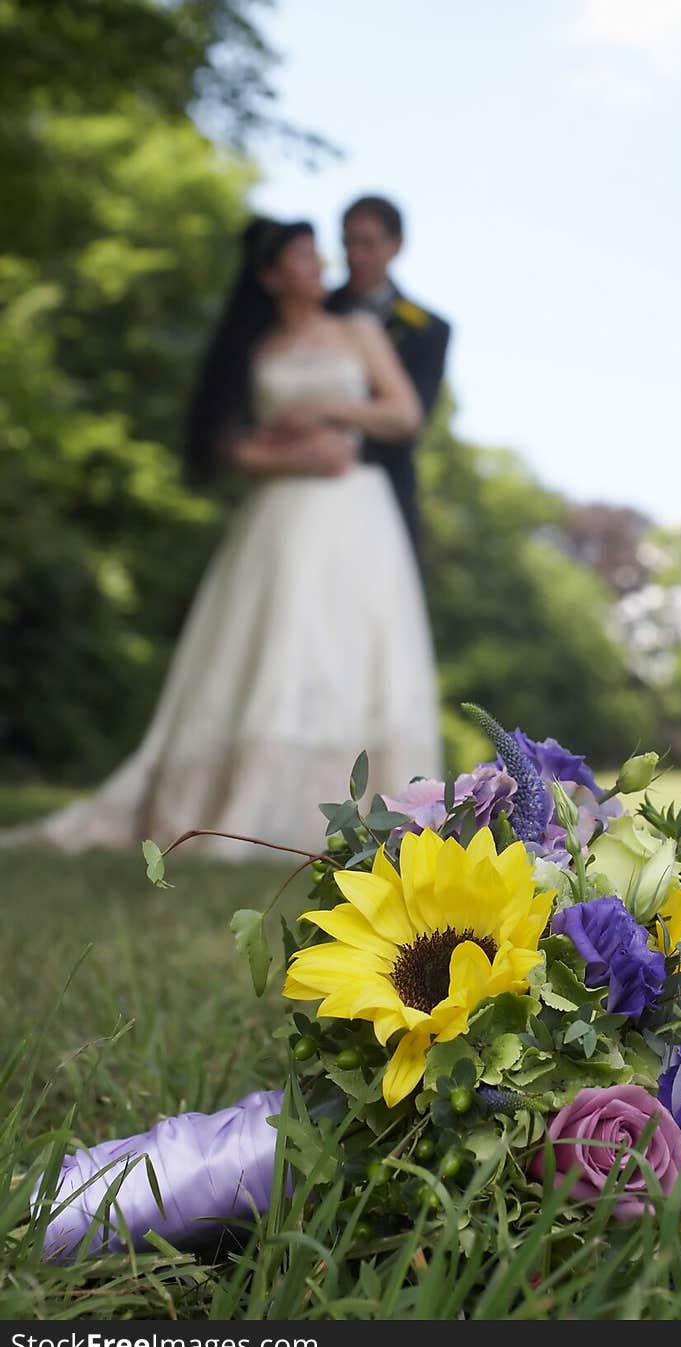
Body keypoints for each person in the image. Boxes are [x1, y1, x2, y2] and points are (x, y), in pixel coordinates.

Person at [1, 219, 441, 858]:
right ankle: (240, 808)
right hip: (282, 518)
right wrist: (292, 458)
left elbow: (402, 414)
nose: (319, 265)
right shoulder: (254, 350)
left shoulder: (359, 331)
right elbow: (231, 445)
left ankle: (378, 816)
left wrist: (328, 413)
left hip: (356, 513)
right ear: (270, 276)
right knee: (278, 643)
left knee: (350, 649)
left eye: (316, 254)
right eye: (300, 256)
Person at [325, 195, 451, 557]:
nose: (355, 255)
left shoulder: (428, 329)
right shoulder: (314, 310)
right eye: (347, 242)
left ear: (396, 246)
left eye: (368, 243)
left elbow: (416, 417)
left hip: (382, 490)